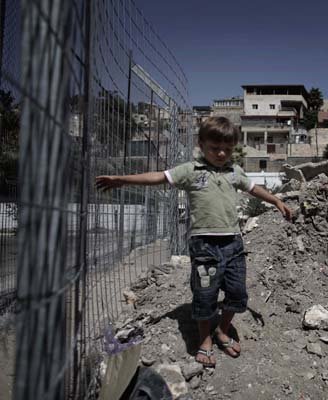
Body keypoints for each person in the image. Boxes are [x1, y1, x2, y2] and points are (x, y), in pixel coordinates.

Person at [96, 116, 292, 368]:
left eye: (228, 149)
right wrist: (123, 180)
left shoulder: (235, 171)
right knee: (205, 294)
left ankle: (222, 329)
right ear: (201, 144)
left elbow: (253, 189)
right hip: (204, 245)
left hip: (233, 243)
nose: (221, 153)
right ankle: (205, 340)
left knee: (237, 293)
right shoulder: (190, 170)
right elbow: (159, 177)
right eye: (214, 148)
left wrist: (276, 200)